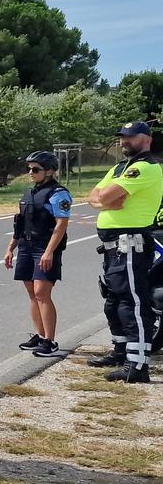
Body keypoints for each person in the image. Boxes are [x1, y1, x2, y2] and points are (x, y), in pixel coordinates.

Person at [85, 121, 163, 383]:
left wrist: (106, 199)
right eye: (122, 137)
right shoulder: (120, 168)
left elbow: (105, 197)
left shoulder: (145, 168)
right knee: (114, 301)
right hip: (113, 246)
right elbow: (94, 196)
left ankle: (138, 365)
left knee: (133, 303)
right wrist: (105, 200)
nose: (123, 141)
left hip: (131, 243)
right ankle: (121, 351)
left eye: (130, 137)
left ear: (147, 139)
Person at [4, 151, 72, 358]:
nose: (31, 173)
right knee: (32, 293)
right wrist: (11, 247)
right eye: (29, 169)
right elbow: (20, 223)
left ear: (50, 171)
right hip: (26, 246)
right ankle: (40, 335)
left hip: (44, 247)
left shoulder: (58, 193)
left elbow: (61, 226)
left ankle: (50, 341)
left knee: (43, 293)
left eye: (36, 169)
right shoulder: (30, 193)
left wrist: (49, 252)